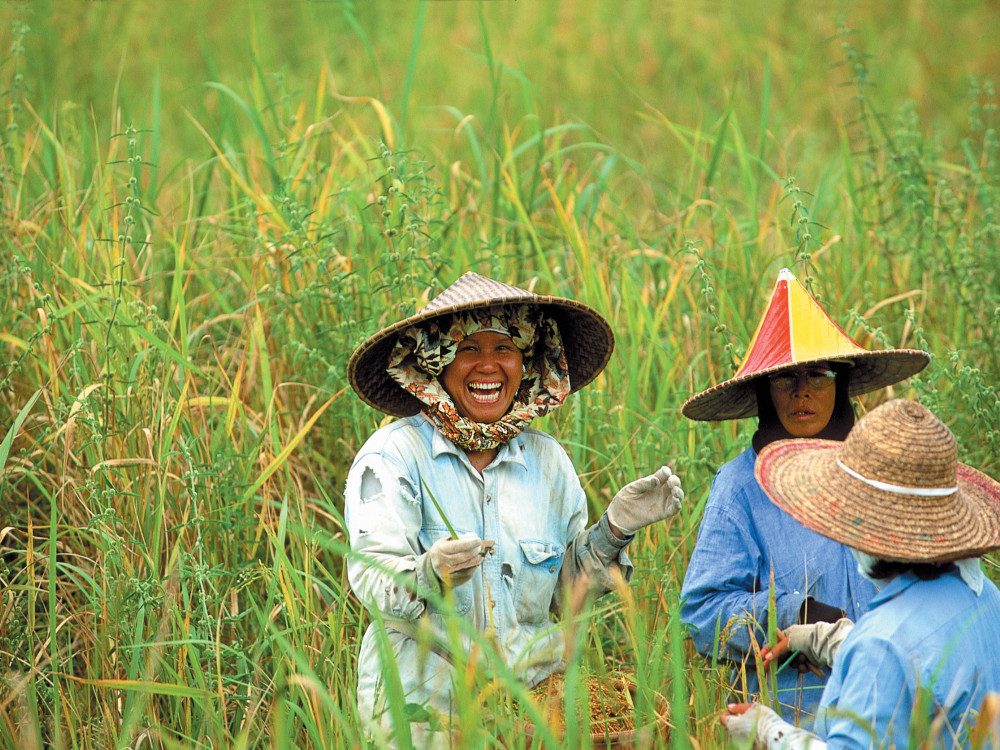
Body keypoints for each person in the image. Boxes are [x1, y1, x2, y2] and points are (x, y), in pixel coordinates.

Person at [344, 272, 684, 747]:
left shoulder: (548, 462)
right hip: (426, 713)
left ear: (528, 361)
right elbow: (370, 576)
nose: (488, 366)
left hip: (535, 713)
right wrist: (428, 573)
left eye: (505, 349)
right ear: (435, 361)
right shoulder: (394, 456)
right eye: (467, 350)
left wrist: (615, 529)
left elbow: (565, 596)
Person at [679, 269, 930, 722]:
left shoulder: (880, 471)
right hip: (800, 718)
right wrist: (798, 614)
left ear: (841, 382)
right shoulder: (740, 487)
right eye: (784, 379)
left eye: (818, 374)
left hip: (899, 710)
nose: (802, 391)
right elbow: (703, 612)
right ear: (763, 391)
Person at [723, 398, 1000, 748]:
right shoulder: (986, 597)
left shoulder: (881, 645)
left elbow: (893, 656)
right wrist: (832, 639)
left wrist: (770, 732)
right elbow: (921, 667)